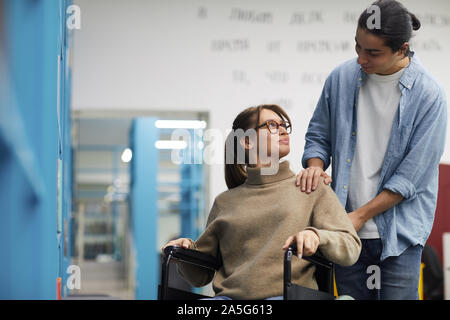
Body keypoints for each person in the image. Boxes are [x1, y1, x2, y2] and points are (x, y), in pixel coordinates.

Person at [296, 0, 447, 300]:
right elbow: (318, 134)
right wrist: (315, 164)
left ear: (402, 49)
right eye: (357, 47)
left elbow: (409, 179)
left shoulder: (430, 97)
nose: (361, 58)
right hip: (346, 233)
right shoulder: (341, 78)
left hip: (398, 235)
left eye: (373, 52)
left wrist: (359, 216)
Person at [162, 104, 361, 300]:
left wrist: (316, 236)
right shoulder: (225, 202)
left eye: (284, 125)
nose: (283, 130)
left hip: (287, 295)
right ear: (246, 141)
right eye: (273, 125)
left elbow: (350, 247)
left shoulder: (309, 186)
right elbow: (200, 276)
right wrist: (185, 250)